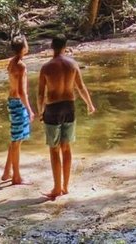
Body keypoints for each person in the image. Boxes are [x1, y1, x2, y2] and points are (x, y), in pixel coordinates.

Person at [37, 35, 96, 200]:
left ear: (52, 47)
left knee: (54, 149)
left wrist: (40, 111)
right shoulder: (72, 64)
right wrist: (89, 104)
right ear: (65, 46)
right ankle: (65, 186)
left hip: (53, 108)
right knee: (66, 147)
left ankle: (57, 188)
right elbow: (81, 87)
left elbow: (41, 94)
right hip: (69, 107)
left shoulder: (46, 67)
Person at [2, 36, 33, 187]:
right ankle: (17, 177)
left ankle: (7, 171)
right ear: (23, 48)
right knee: (17, 141)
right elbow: (22, 92)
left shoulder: (11, 62)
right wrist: (29, 109)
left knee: (15, 137)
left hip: (11, 101)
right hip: (18, 103)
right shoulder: (21, 66)